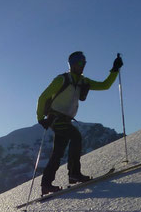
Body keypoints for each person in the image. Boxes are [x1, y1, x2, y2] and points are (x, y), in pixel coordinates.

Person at [36, 51, 123, 195]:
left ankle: (46, 184)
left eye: (84, 63)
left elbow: (105, 85)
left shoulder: (83, 81)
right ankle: (74, 173)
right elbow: (43, 97)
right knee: (75, 136)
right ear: (72, 64)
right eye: (80, 63)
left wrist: (114, 69)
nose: (82, 66)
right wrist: (40, 118)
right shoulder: (62, 79)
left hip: (65, 120)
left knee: (58, 152)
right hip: (56, 118)